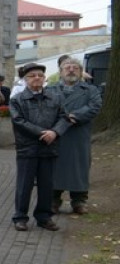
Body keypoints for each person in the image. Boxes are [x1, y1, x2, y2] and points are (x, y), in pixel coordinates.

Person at [9, 63, 70, 232]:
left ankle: (44, 217)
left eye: (40, 75)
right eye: (32, 75)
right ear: (25, 79)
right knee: (24, 184)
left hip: (49, 147)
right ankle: (20, 217)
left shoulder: (55, 97)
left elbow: (64, 118)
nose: (37, 78)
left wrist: (55, 132)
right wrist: (43, 133)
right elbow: (19, 121)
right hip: (27, 148)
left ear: (44, 79)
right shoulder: (17, 100)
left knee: (47, 184)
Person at [48, 57, 103, 215]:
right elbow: (45, 108)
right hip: (56, 135)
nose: (71, 70)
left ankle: (79, 200)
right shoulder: (50, 90)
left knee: (79, 167)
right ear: (61, 72)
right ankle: (53, 200)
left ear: (80, 72)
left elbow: (94, 107)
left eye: (75, 68)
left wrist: (74, 116)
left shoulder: (91, 90)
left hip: (78, 134)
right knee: (54, 168)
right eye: (67, 67)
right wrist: (63, 120)